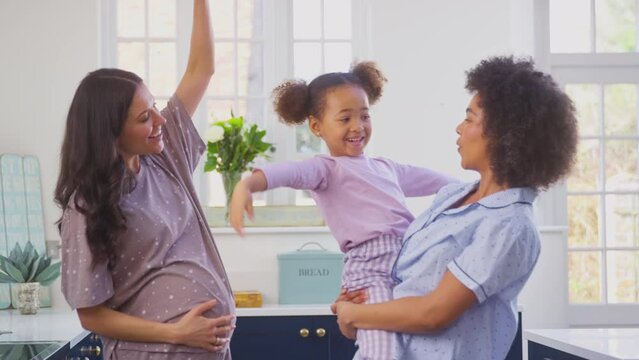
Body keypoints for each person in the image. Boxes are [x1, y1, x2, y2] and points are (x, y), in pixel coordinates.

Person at [332, 56, 578, 360]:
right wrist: (355, 308)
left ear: (504, 136)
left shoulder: (510, 225)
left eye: (470, 119)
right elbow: (400, 293)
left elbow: (433, 314)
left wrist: (354, 313)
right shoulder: (451, 196)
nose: (459, 128)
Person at [229, 61, 455, 360]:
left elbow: (439, 182)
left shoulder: (386, 167)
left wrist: (478, 188)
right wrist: (248, 185)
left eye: (364, 116)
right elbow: (289, 172)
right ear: (316, 126)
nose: (357, 126)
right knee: (382, 351)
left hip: (409, 264)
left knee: (417, 346)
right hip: (370, 271)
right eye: (345, 118)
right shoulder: (326, 169)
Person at [54, 1, 235, 359]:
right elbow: (91, 315)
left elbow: (201, 69)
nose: (160, 120)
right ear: (110, 131)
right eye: (144, 117)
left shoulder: (165, 157)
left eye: (155, 106)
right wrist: (177, 332)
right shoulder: (86, 205)